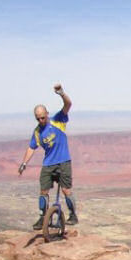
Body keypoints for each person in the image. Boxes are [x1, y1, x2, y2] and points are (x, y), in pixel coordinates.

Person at [18, 83, 78, 229]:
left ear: (47, 114)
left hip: (63, 161)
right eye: (37, 119)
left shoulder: (58, 120)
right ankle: (42, 217)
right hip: (48, 164)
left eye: (42, 118)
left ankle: (73, 215)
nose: (40, 121)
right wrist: (24, 163)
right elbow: (31, 148)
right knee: (43, 191)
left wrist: (62, 93)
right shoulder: (38, 132)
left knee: (66, 190)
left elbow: (68, 104)